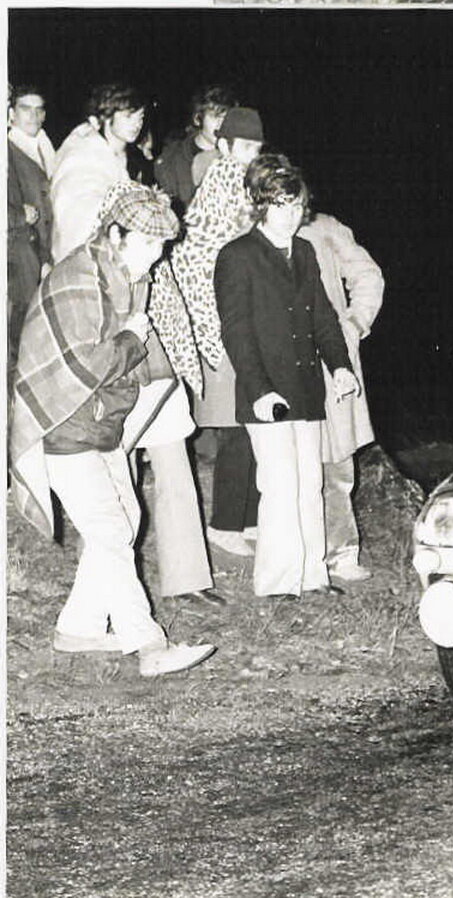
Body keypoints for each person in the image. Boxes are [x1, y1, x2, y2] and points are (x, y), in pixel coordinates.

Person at [8, 182, 215, 676]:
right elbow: (84, 365)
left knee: (125, 520)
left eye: (161, 245)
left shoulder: (127, 274)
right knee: (109, 529)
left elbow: (129, 354)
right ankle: (150, 646)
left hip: (100, 422)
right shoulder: (79, 278)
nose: (155, 256)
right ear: (116, 233)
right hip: (62, 422)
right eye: (147, 243)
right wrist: (130, 340)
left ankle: (77, 627)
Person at [215, 154, 359, 599]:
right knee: (279, 487)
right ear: (261, 205)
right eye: (280, 205)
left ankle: (313, 576)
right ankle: (278, 583)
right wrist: (259, 390)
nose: (291, 214)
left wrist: (340, 366)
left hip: (307, 390)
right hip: (266, 394)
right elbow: (236, 332)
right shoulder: (237, 256)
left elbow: (323, 319)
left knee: (310, 484)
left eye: (296, 205)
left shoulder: (306, 252)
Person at [160, 107, 266, 558]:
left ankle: (251, 519)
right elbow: (205, 264)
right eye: (245, 146)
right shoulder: (224, 182)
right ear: (224, 145)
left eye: (257, 146)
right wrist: (214, 332)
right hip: (219, 324)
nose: (252, 154)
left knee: (254, 423)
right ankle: (225, 523)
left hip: (238, 320)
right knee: (238, 428)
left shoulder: (244, 183)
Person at [298, 210, 385, 583]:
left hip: (330, 355)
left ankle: (342, 550)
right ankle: (296, 551)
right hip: (281, 359)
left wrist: (354, 322)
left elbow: (368, 275)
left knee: (336, 457)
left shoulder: (323, 228)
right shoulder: (250, 230)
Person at [50, 84, 148, 263]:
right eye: (128, 116)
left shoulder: (122, 154)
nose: (137, 124)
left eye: (140, 116)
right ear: (105, 117)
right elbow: (78, 217)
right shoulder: (83, 155)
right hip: (81, 259)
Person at [7, 85, 53, 378]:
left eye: (39, 109)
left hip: (41, 256)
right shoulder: (9, 151)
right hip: (20, 261)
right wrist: (18, 215)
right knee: (18, 339)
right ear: (12, 113)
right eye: (26, 109)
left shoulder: (44, 147)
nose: (34, 116)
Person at [154, 84, 236, 216]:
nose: (221, 125)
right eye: (215, 117)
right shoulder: (172, 158)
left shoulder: (239, 156)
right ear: (198, 119)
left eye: (226, 118)